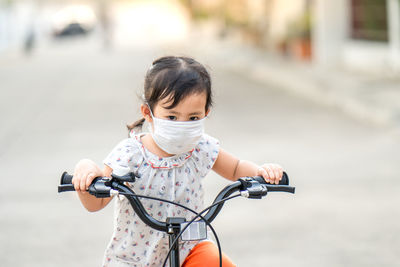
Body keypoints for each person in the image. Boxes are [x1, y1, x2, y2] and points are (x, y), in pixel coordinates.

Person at [72, 56, 284, 267]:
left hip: (190, 247)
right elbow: (96, 202)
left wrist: (261, 172)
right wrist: (86, 172)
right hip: (136, 258)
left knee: (217, 262)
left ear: (205, 114)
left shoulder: (201, 147)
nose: (182, 125)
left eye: (193, 118)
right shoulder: (129, 155)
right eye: (172, 117)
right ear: (148, 112)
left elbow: (236, 168)